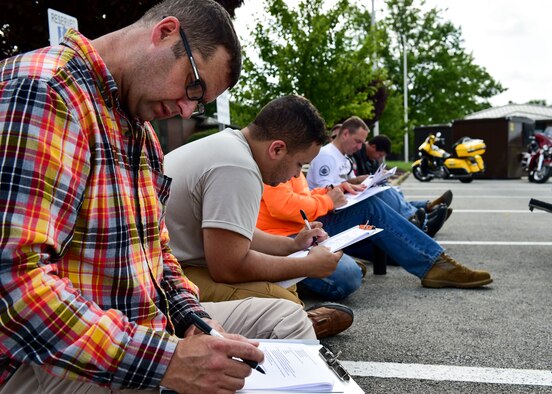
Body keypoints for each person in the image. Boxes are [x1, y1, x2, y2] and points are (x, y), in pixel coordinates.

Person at [0, 2, 316, 393]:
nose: (185, 110)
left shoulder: (141, 128)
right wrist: (166, 362)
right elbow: (12, 284)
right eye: (192, 85)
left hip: (141, 326)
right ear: (165, 32)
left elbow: (158, 256)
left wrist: (195, 320)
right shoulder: (45, 91)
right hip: (51, 356)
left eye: (198, 103)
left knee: (283, 320)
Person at [164, 95, 355, 338]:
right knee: (286, 305)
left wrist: (293, 244)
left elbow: (234, 233)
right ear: (277, 149)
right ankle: (302, 323)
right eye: (299, 164)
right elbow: (229, 267)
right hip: (166, 278)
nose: (296, 175)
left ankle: (302, 321)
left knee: (286, 287)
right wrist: (309, 265)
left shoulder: (230, 148)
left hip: (167, 265)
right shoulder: (239, 168)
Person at [257, 171, 493, 290]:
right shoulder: (276, 163)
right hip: (285, 240)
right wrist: (328, 200)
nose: (302, 166)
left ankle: (433, 262)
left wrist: (336, 189)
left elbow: (302, 197)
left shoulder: (291, 160)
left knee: (374, 205)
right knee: (349, 278)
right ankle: (422, 254)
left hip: (307, 228)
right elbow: (284, 206)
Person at [307, 117, 449, 237]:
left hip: (343, 204)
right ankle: (419, 223)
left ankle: (417, 221)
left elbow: (347, 182)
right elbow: (325, 189)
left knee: (384, 188)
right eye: (358, 141)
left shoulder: (344, 157)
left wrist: (363, 180)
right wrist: (356, 182)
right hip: (328, 214)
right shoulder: (326, 155)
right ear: (345, 134)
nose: (359, 147)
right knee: (378, 198)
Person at [352, 135, 454, 235]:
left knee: (396, 193)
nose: (359, 145)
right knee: (388, 195)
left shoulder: (366, 157)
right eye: (379, 155)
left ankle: (426, 211)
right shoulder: (356, 154)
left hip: (364, 192)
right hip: (361, 196)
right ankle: (424, 219)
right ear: (373, 147)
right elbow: (355, 180)